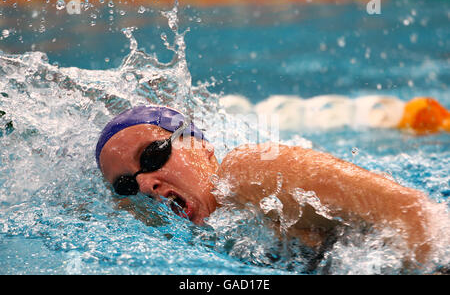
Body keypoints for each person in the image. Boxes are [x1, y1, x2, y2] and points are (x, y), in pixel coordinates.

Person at [96, 105, 444, 267]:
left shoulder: (250, 172)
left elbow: (410, 212)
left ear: (199, 144)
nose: (144, 184)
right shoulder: (187, 233)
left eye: (154, 156)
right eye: (126, 184)